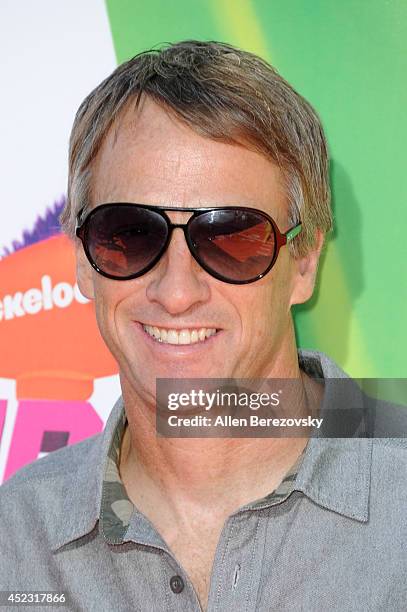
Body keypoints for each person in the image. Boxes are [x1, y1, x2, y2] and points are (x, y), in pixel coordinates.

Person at [0, 40, 405, 612]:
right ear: (81, 259)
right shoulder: (14, 542)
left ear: (305, 261)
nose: (177, 292)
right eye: (129, 234)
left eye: (231, 237)